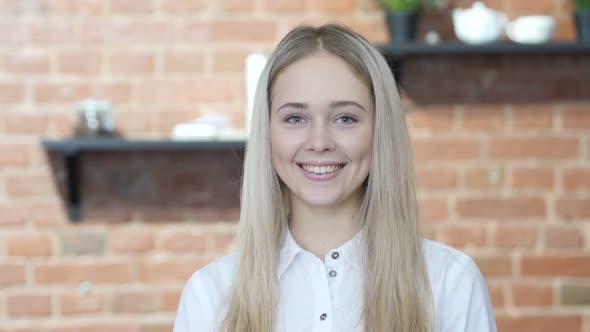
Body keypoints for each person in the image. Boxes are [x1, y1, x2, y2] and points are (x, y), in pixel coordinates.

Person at [173, 24, 496, 332]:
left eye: (345, 118)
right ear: (267, 132)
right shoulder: (210, 294)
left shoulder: (450, 281)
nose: (319, 141)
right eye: (295, 117)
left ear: (380, 130)